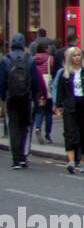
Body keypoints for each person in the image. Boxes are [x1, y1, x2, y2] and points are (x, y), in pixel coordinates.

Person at [0, 34, 46, 167]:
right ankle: (22, 156)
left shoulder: (5, 59)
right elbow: (35, 81)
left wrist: (3, 96)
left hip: (11, 97)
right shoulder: (29, 59)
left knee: (13, 127)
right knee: (24, 126)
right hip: (26, 97)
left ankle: (15, 159)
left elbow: (2, 81)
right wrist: (35, 98)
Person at [53, 47, 84, 175]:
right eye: (74, 55)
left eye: (78, 55)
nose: (76, 58)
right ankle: (71, 162)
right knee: (70, 133)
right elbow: (60, 91)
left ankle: (83, 162)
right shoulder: (65, 74)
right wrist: (58, 106)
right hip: (70, 105)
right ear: (69, 58)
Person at [32, 41, 54, 144]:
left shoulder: (32, 59)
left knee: (39, 110)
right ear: (45, 49)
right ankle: (47, 135)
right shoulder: (50, 58)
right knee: (49, 112)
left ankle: (37, 127)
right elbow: (53, 70)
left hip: (37, 87)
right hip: (47, 86)